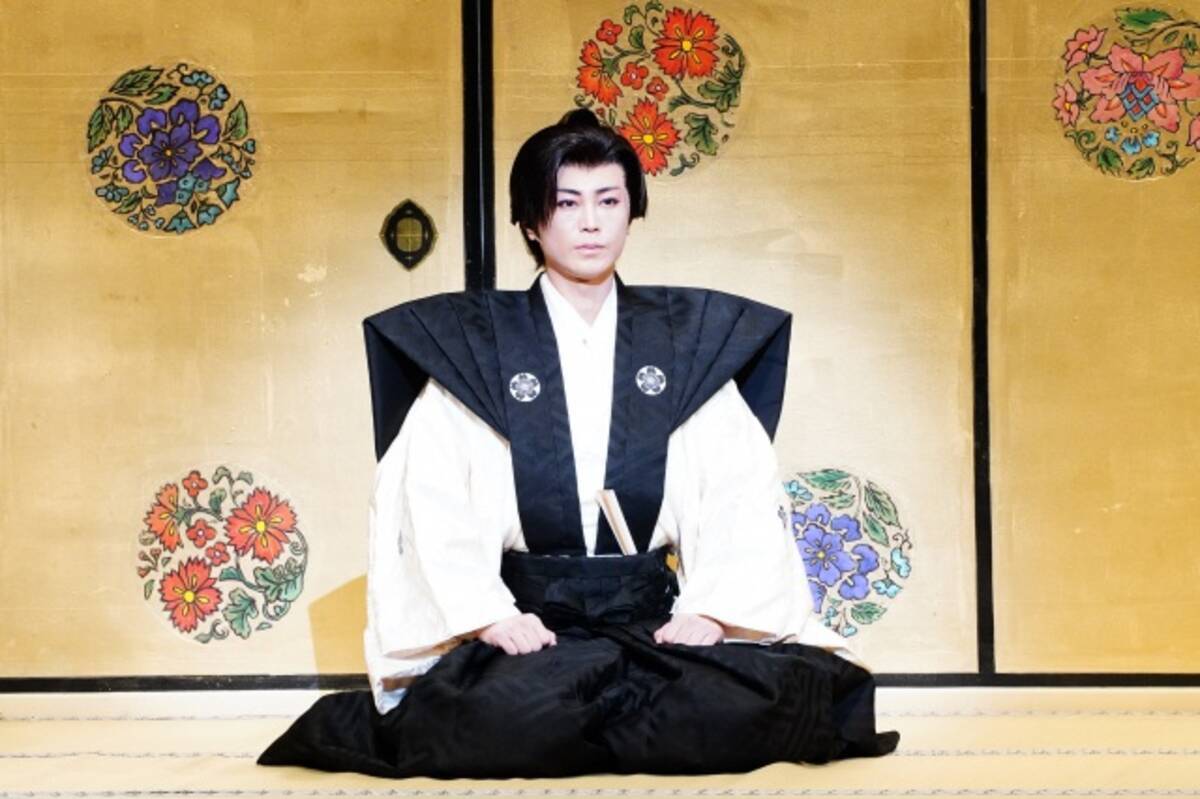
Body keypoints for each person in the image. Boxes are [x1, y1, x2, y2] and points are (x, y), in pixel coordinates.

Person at [258, 109, 899, 778]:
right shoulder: (477, 350)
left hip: (654, 623)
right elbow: (432, 500)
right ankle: (598, 723)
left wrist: (712, 610)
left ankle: (606, 723)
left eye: (609, 201)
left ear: (632, 212)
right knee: (503, 717)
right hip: (531, 628)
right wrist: (488, 616)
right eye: (567, 203)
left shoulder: (684, 345)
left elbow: (739, 492)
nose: (591, 222)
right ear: (531, 222)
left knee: (752, 706)